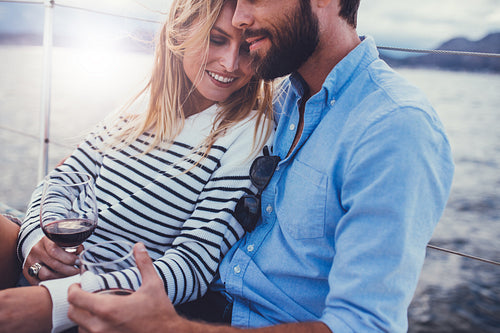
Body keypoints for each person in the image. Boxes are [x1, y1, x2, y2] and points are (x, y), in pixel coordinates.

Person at [66, 0, 455, 332]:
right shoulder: (279, 99)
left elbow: (364, 326)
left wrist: (169, 328)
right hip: (196, 301)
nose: (238, 16)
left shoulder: (394, 125)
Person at [0, 0, 275, 332]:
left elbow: (193, 265)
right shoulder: (141, 107)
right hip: (46, 269)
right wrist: (35, 245)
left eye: (246, 48)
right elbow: (62, 179)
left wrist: (59, 301)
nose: (231, 63)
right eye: (216, 40)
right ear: (182, 31)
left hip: (108, 303)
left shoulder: (249, 133)